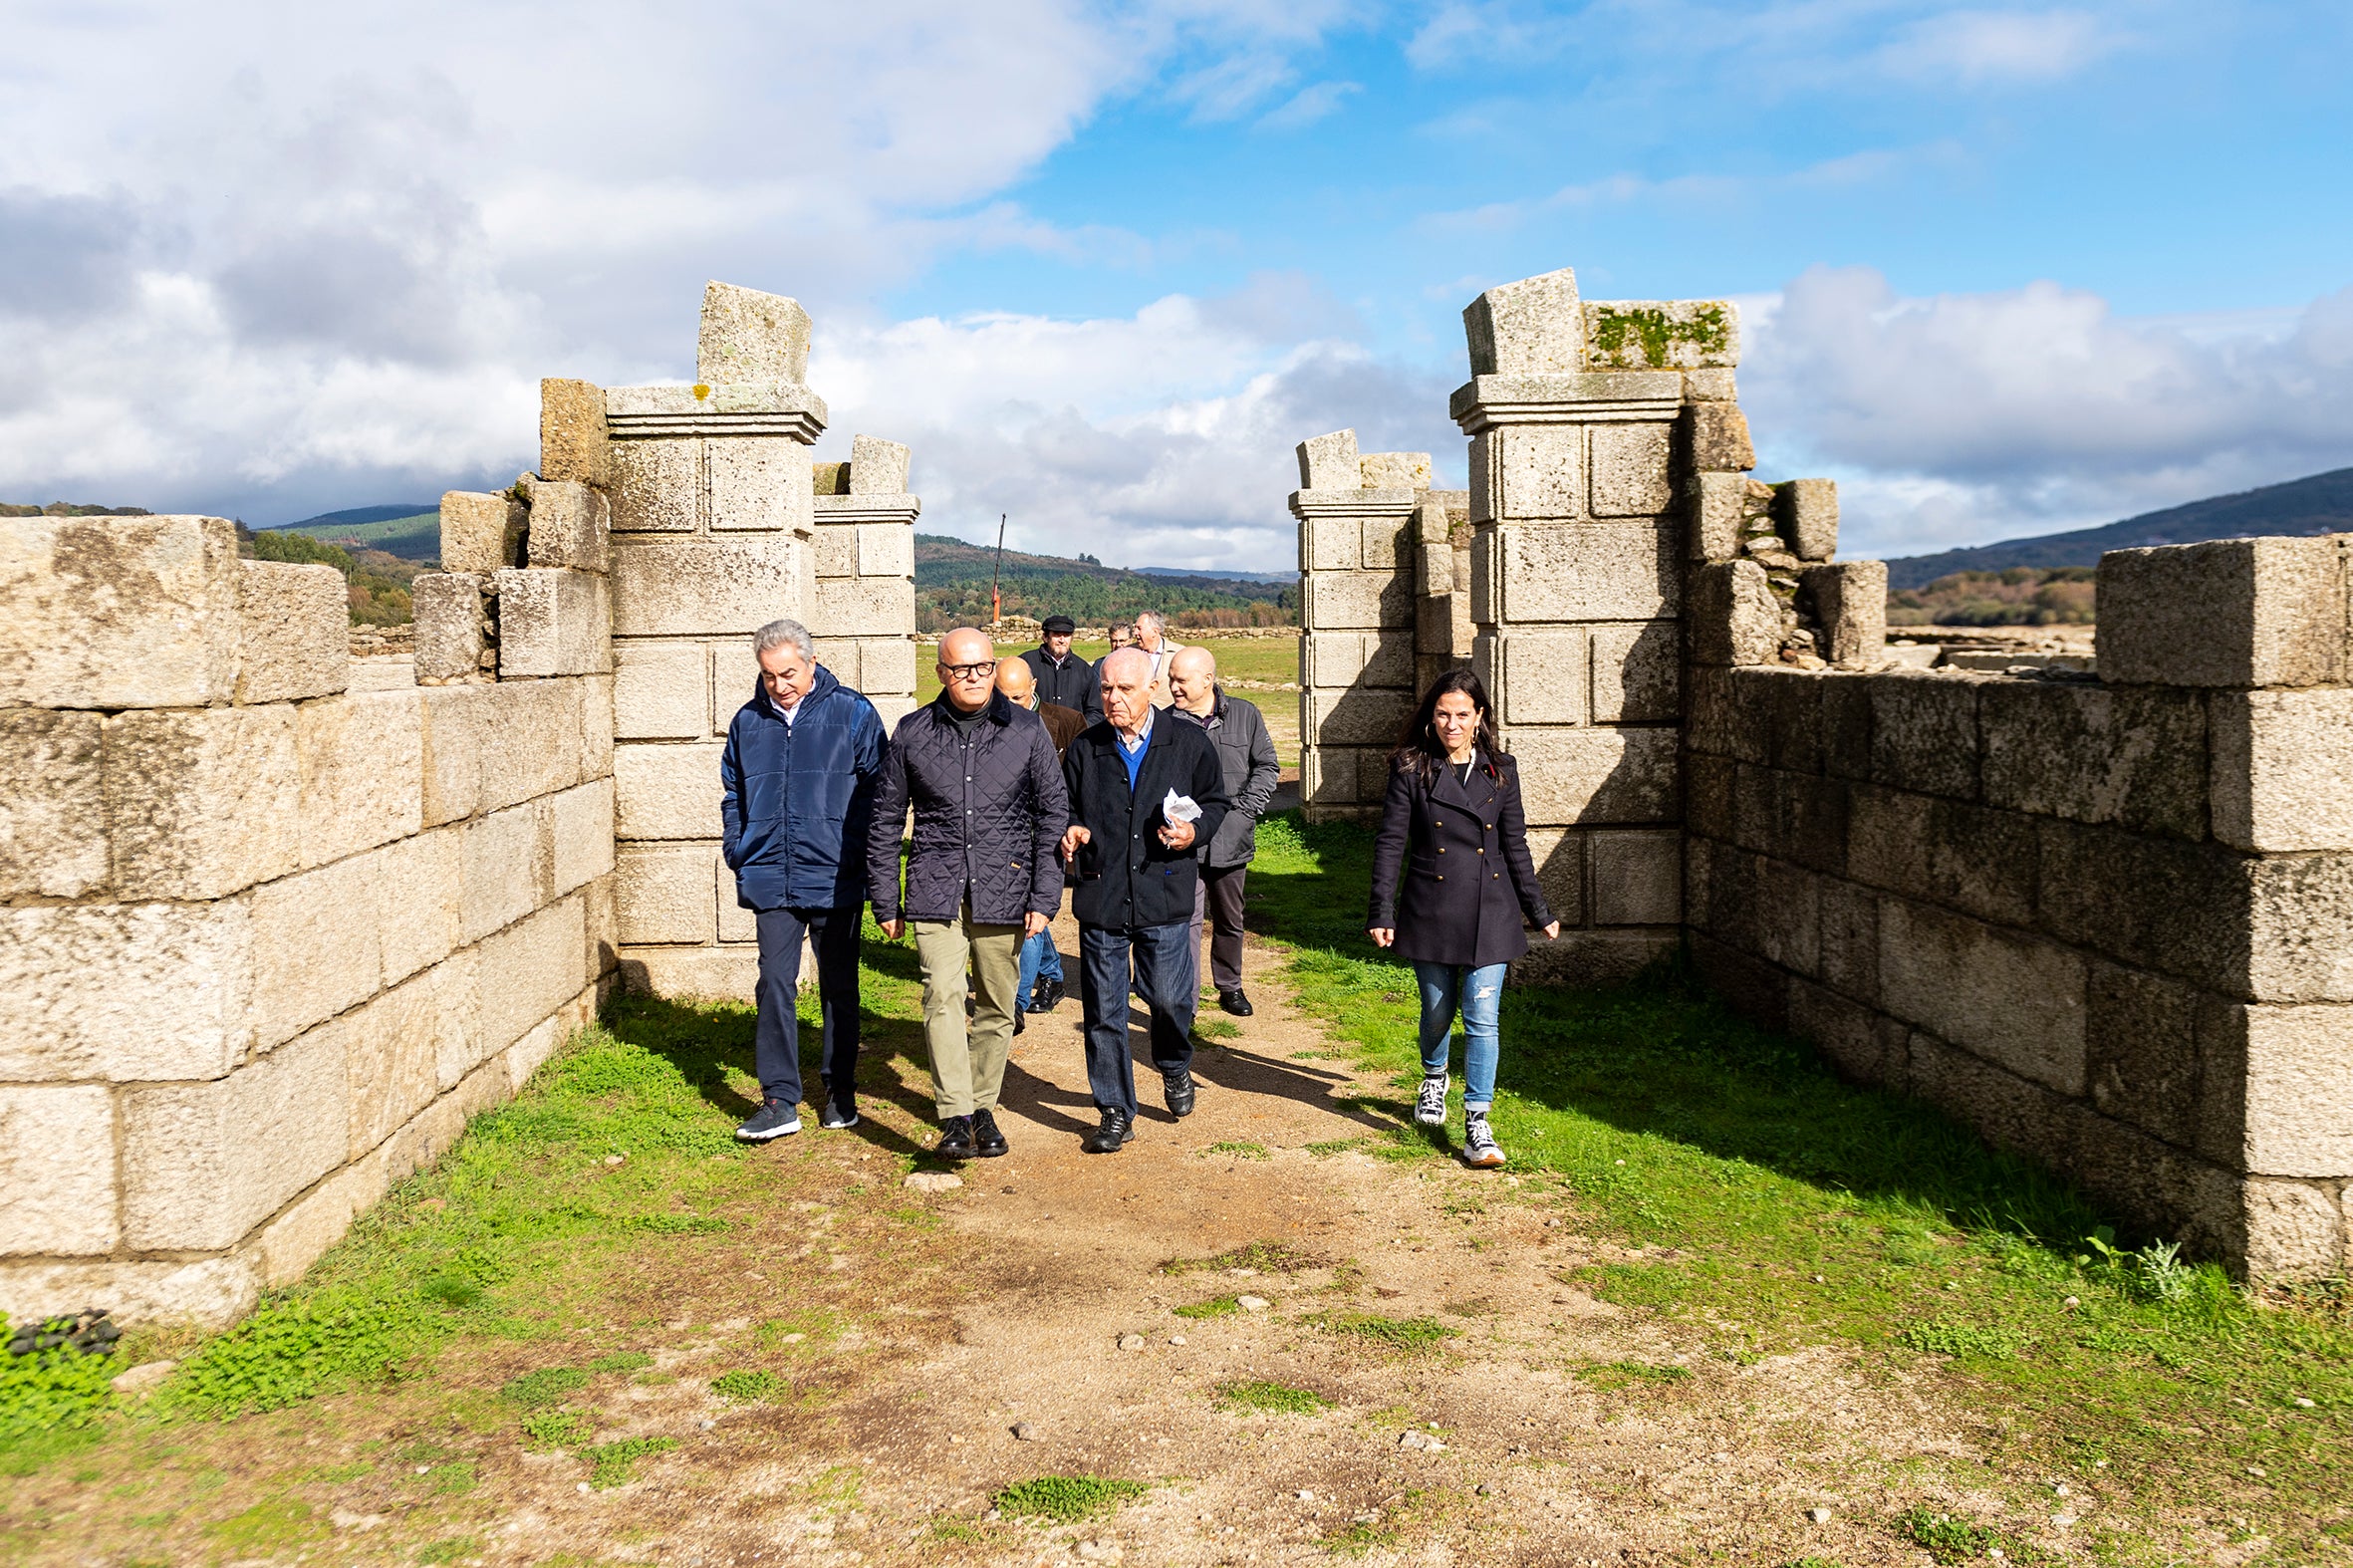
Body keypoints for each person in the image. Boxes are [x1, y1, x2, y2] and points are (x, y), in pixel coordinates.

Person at [868, 628, 1068, 1161]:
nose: (973, 677)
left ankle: (984, 1105)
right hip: (936, 887)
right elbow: (885, 820)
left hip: (1006, 886)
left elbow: (1053, 814)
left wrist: (1045, 898)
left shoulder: (1026, 730)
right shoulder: (912, 733)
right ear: (941, 673)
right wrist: (885, 900)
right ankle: (955, 1115)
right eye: (960, 669)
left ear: (994, 667)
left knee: (999, 1004)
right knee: (941, 996)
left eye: (981, 667)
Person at [1365, 668, 1559, 1171]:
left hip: (1492, 913)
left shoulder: (1502, 769)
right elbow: (1390, 845)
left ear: (1480, 718)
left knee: (1483, 1019)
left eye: (1462, 715)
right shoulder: (1412, 768)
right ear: (1432, 718)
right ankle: (1434, 1077)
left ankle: (1477, 1121)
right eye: (1443, 714)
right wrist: (1381, 910)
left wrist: (1537, 910)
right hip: (1430, 908)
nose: (1452, 724)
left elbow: (1514, 843)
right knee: (1436, 1010)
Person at [1058, 648, 1230, 1154]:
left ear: (1151, 689)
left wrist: (1194, 832)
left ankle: (1175, 1065)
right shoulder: (1087, 748)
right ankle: (1114, 1110)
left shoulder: (1188, 742)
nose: (1113, 699)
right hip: (1103, 896)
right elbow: (1065, 805)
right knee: (1104, 1012)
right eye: (1106, 689)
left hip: (1165, 892)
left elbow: (1217, 802)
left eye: (1125, 690)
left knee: (1170, 1000)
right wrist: (1072, 828)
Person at [719, 618, 886, 1140]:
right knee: (774, 983)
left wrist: (857, 852)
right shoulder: (748, 722)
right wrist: (738, 848)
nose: (779, 684)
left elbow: (880, 794)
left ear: (812, 663)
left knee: (839, 985)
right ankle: (779, 1100)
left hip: (836, 875)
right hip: (770, 873)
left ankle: (839, 1090)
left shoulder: (853, 713)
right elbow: (733, 792)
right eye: (769, 676)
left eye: (788, 673)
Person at [1167, 645, 1279, 1017]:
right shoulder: (1166, 723)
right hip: (1185, 843)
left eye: (1181, 680)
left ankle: (1230, 986)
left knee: (1230, 919)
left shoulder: (1245, 715)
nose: (1174, 687)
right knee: (1187, 921)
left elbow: (1266, 767)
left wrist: (1245, 812)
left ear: (1207, 680)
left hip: (1231, 840)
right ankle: (1187, 1000)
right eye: (1171, 679)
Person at [992, 657, 1085, 1024]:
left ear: (1033, 686)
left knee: (1027, 914)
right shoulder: (984, 722)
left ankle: (1015, 1002)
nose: (1010, 705)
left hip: (1048, 830)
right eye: (1002, 697)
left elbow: (1081, 779)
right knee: (1026, 916)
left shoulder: (1067, 721)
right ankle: (1053, 975)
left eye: (1017, 696)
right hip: (1004, 834)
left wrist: (1073, 824)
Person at [1022, 614, 1101, 723]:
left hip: (1073, 738)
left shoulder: (1084, 670)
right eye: (1057, 634)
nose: (1062, 640)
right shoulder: (1025, 663)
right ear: (1045, 637)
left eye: (1067, 635)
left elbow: (1095, 710)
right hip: (1033, 735)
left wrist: (1081, 731)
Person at [1131, 610, 1184, 707]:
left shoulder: (1179, 653)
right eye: (1135, 628)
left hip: (1170, 717)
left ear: (1154, 632)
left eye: (1139, 628)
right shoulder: (1127, 653)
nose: (1135, 632)